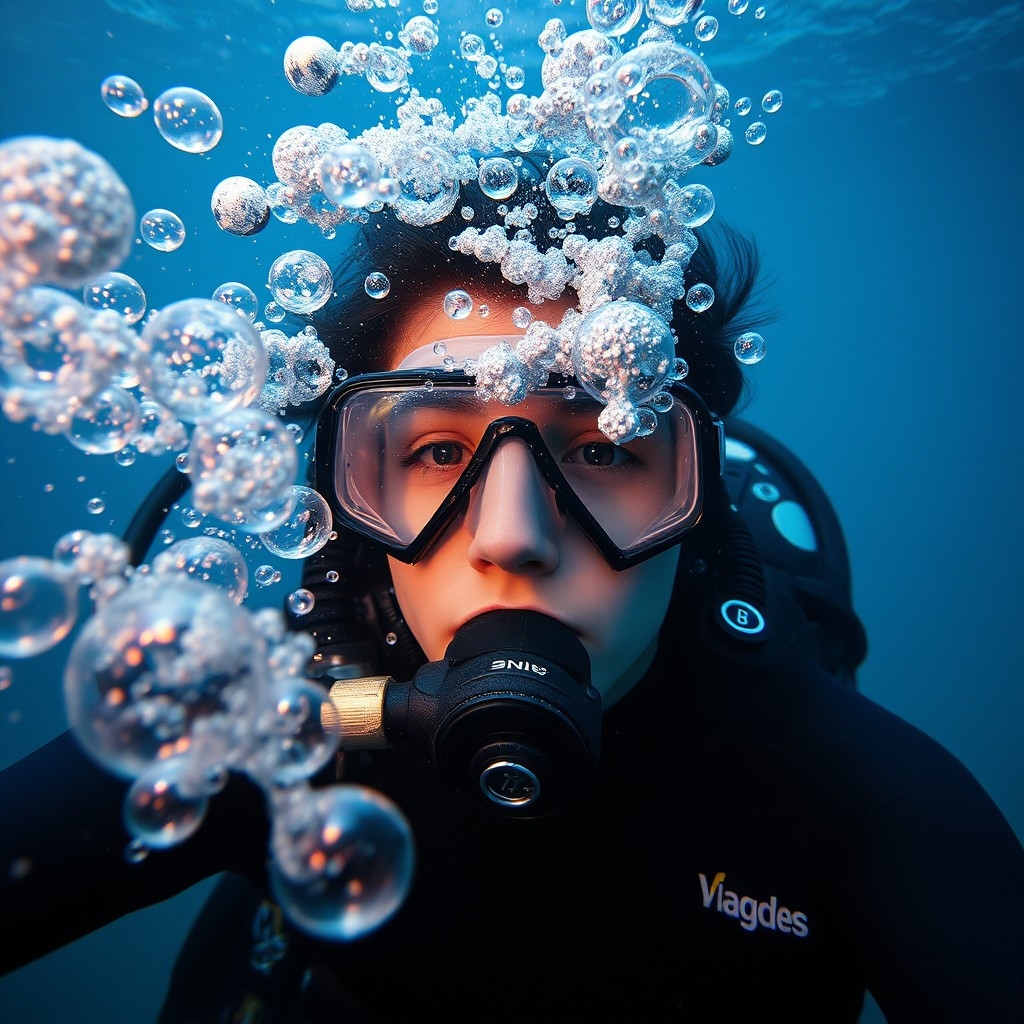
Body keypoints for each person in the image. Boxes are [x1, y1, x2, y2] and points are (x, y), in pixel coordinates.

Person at [4, 164, 1021, 1024]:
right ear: (346, 495)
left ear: (695, 497)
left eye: (604, 448)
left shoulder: (853, 796)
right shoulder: (265, 718)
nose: (511, 536)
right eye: (438, 450)